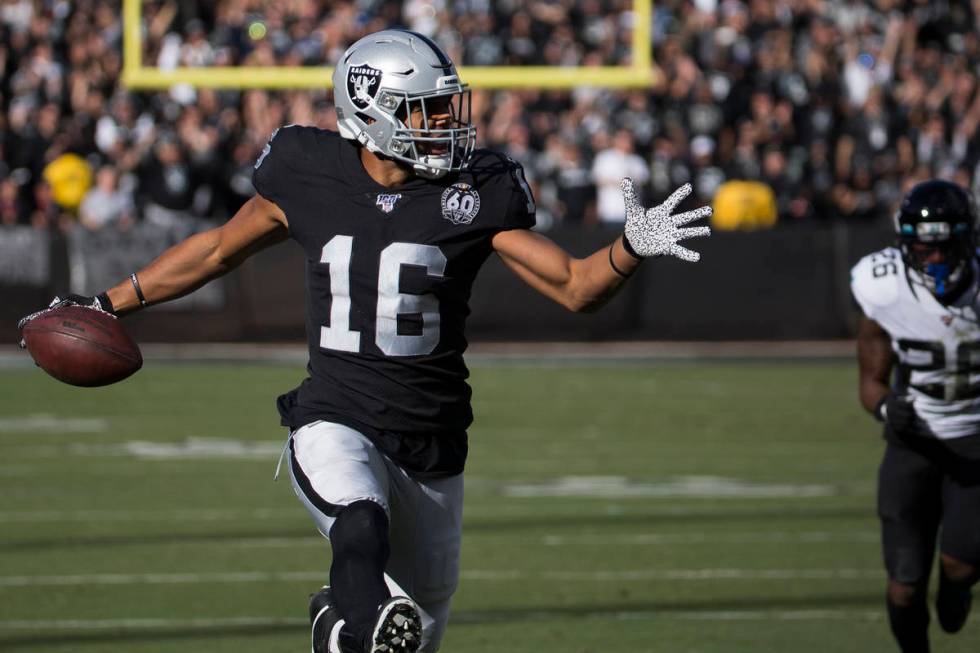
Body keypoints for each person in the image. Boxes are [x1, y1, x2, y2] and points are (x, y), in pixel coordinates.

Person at [17, 30, 712, 653]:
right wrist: (106, 303)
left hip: (433, 444)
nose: (446, 123)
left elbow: (576, 287)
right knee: (357, 516)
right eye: (427, 110)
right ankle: (353, 615)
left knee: (413, 631)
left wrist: (630, 246)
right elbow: (216, 251)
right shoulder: (307, 169)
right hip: (335, 413)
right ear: (373, 112)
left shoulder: (475, 192)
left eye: (446, 107)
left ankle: (339, 624)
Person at [852, 179, 980, 653]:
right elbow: (870, 382)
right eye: (923, 250)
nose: (933, 260)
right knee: (904, 585)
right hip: (915, 442)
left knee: (960, 567)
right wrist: (888, 407)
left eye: (943, 248)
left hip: (976, 444)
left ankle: (958, 587)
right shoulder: (882, 287)